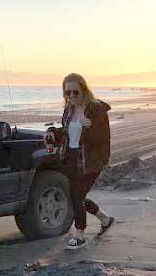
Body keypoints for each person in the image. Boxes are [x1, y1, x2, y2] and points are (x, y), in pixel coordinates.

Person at [45, 73, 115, 248]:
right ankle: (105, 219)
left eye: (75, 92)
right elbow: (67, 131)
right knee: (76, 195)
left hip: (91, 161)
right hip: (70, 158)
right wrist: (53, 132)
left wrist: (90, 127)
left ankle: (80, 235)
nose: (71, 96)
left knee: (77, 196)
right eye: (67, 93)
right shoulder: (69, 110)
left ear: (84, 90)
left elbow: (103, 138)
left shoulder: (96, 109)